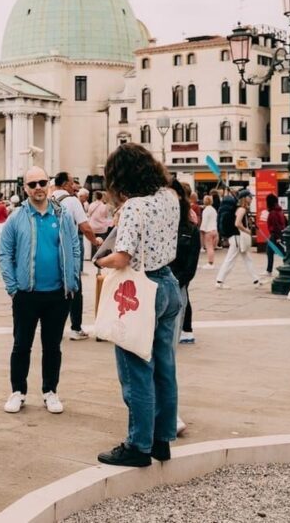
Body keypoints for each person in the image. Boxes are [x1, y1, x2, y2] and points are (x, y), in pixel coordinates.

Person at [95, 143, 182, 468]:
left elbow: (122, 257)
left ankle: (138, 444)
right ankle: (161, 440)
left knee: (136, 370)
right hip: (169, 285)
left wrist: (101, 260)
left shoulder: (134, 206)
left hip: (142, 289)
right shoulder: (170, 197)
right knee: (164, 367)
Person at [0, 166, 80, 415]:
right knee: (21, 345)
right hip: (26, 294)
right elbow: (4, 254)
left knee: (52, 346)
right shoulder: (16, 218)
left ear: (49, 184)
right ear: (25, 188)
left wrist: (73, 279)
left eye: (42, 183)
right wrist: (13, 288)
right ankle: (18, 391)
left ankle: (50, 391)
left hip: (58, 294)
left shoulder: (63, 215)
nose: (38, 188)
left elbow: (75, 246)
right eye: (32, 184)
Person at [53, 171, 101, 341]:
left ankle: (54, 327)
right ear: (65, 184)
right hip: (69, 251)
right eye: (73, 183)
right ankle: (75, 328)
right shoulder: (72, 201)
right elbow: (85, 228)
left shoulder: (49, 198)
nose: (75, 186)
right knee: (75, 289)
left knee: (54, 290)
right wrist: (95, 242)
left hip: (50, 250)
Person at [169, 179, 201, 345]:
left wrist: (178, 280)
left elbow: (191, 266)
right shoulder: (160, 225)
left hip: (178, 280)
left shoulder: (190, 228)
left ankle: (185, 330)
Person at [215, 189, 264, 289]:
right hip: (237, 238)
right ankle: (219, 281)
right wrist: (247, 230)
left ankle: (256, 280)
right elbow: (237, 223)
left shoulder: (240, 209)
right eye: (250, 197)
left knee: (247, 259)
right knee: (230, 260)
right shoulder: (241, 209)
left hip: (236, 238)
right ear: (245, 198)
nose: (251, 199)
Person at [264, 193, 286, 276]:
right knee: (270, 251)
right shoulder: (279, 211)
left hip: (275, 234)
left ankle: (269, 270)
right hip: (279, 234)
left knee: (280, 252)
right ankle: (268, 270)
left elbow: (275, 225)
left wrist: (277, 237)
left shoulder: (272, 213)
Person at [199, 195, 218, 270]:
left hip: (208, 231)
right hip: (214, 230)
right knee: (212, 248)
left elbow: (205, 221)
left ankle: (210, 263)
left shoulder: (205, 210)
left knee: (209, 247)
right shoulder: (213, 210)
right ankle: (211, 262)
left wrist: (202, 230)